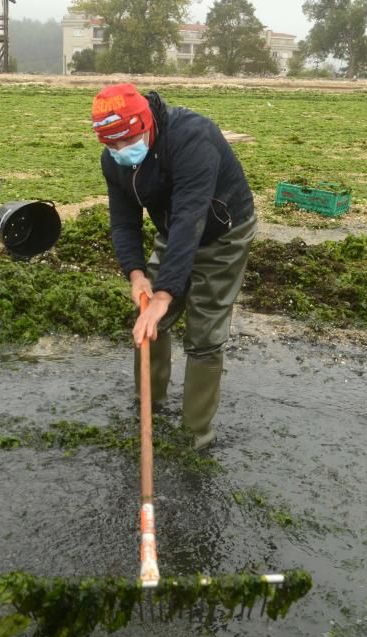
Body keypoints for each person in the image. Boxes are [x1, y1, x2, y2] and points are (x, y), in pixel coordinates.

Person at [91, 83, 257, 450]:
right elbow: (123, 222)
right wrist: (136, 275)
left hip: (222, 229)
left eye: (126, 141)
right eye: (110, 145)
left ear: (146, 124)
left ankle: (196, 434)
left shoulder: (191, 138)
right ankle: (148, 407)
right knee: (150, 318)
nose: (120, 151)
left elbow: (190, 217)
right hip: (174, 228)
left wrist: (166, 292)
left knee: (204, 332)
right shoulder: (114, 160)